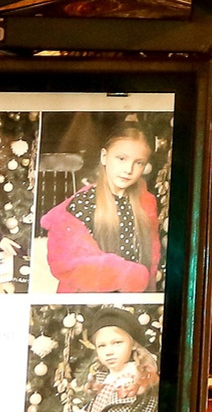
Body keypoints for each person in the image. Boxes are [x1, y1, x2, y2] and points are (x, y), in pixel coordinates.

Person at [40, 123, 160, 294]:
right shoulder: (83, 204)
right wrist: (131, 275)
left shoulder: (145, 204)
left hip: (135, 303)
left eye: (138, 163)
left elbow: (150, 255)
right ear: (104, 156)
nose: (128, 169)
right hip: (86, 306)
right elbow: (69, 263)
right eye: (121, 159)